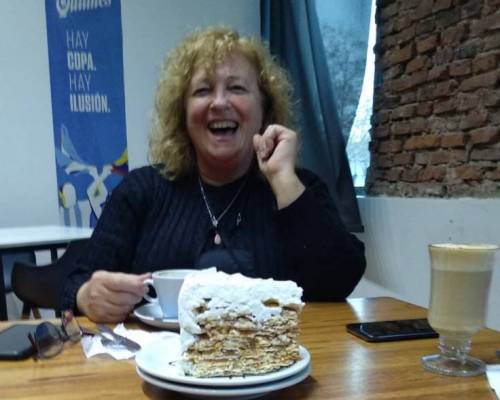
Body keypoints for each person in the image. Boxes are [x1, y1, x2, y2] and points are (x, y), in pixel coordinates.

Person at [61, 26, 366, 323]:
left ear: (264, 110)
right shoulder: (141, 190)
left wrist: (282, 179)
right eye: (203, 90)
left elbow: (340, 281)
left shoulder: (299, 188)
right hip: (159, 367)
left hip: (274, 366)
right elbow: (72, 281)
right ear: (182, 114)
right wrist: (86, 295)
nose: (219, 103)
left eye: (236, 88)